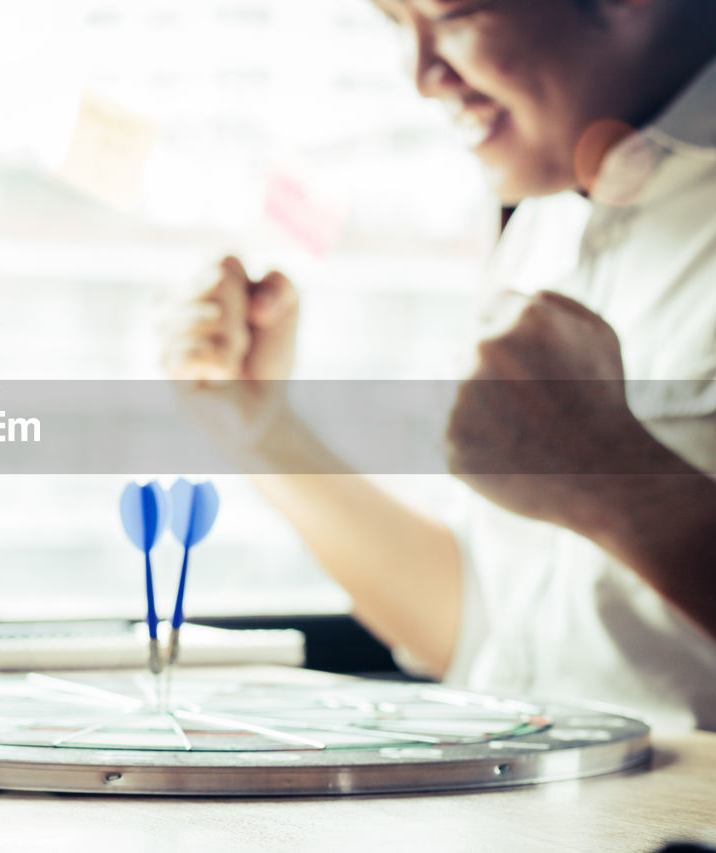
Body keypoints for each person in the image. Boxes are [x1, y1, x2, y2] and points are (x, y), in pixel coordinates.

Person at [165, 0, 716, 730]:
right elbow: (484, 636)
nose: (420, 75)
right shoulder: (549, 220)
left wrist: (616, 482)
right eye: (393, 24)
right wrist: (261, 431)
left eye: (454, 17)